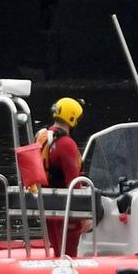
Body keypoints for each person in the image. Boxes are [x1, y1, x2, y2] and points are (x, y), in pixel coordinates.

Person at [34, 97, 85, 254]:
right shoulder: (66, 144)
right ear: (72, 118)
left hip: (47, 204)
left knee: (58, 248)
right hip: (65, 206)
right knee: (69, 251)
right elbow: (74, 183)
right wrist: (85, 215)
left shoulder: (42, 136)